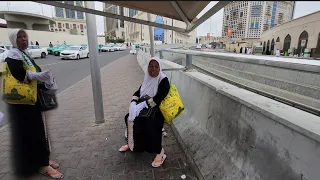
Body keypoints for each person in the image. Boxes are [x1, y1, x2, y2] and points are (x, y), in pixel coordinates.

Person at [4, 29, 63, 179]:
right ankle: (42, 165)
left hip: (31, 101)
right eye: (20, 37)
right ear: (13, 40)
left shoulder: (24, 54)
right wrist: (39, 76)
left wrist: (44, 78)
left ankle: (42, 160)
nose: (24, 39)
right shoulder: (13, 56)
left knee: (39, 132)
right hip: (22, 104)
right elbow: (21, 75)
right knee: (34, 134)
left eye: (25, 36)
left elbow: (33, 72)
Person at [119, 57, 170, 168]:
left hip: (157, 111)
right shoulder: (147, 78)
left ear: (160, 68)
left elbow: (159, 97)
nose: (153, 69)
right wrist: (133, 102)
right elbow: (139, 91)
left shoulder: (163, 80)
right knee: (129, 117)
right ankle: (133, 144)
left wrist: (144, 104)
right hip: (145, 109)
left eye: (156, 67)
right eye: (151, 66)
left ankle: (160, 153)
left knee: (151, 125)